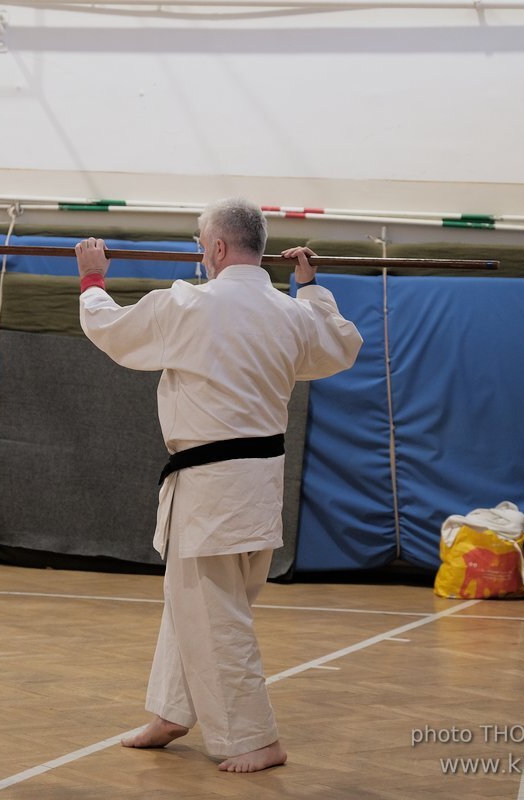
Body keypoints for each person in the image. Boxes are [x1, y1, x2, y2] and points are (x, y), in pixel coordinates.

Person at [74, 198, 363, 773]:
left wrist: (92, 277)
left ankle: (255, 738)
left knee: (213, 612)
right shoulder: (291, 312)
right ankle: (172, 711)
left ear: (218, 248)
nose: (200, 254)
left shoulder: (189, 303)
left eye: (201, 244)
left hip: (211, 488)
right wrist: (310, 287)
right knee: (195, 604)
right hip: (255, 487)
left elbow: (111, 328)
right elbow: (340, 344)